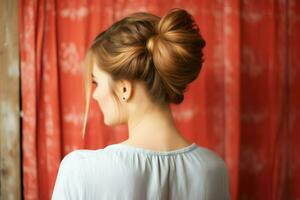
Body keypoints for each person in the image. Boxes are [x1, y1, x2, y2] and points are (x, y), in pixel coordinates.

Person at [52, 8, 230, 200]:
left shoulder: (81, 170)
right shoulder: (214, 170)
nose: (94, 95)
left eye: (96, 82)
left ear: (124, 89)